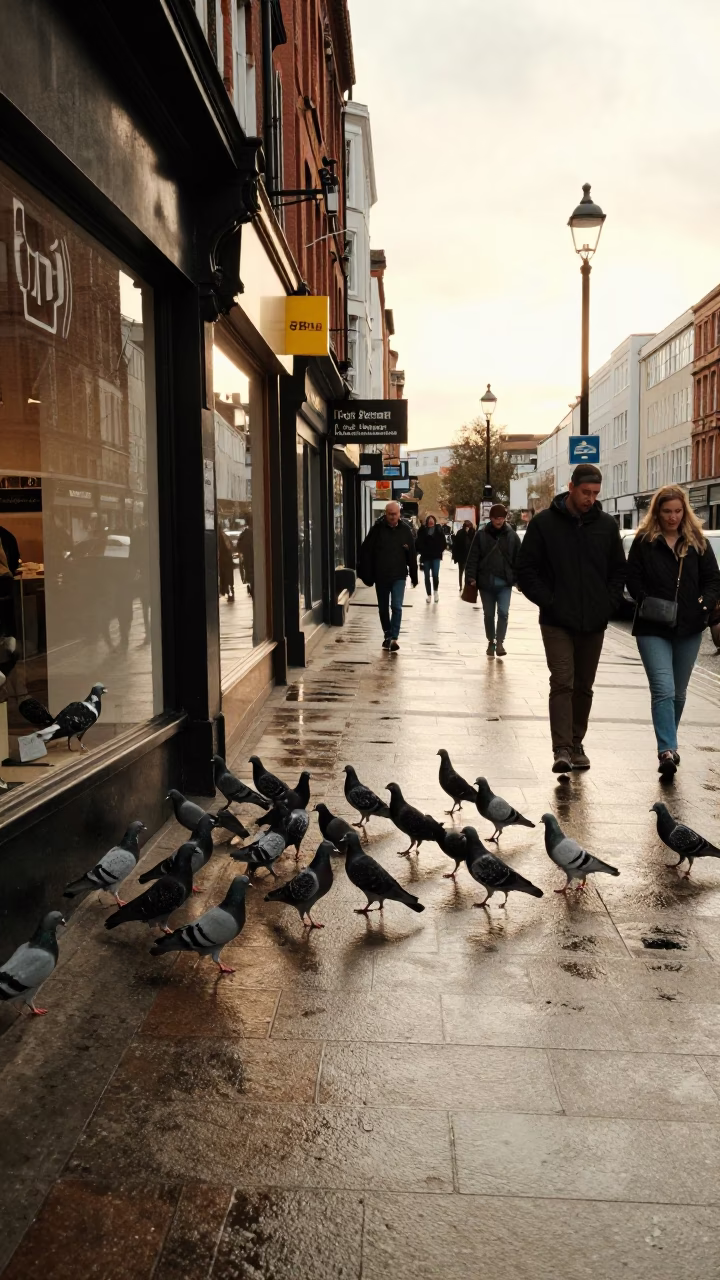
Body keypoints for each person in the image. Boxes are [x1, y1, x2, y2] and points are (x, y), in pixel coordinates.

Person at [516, 464, 626, 774]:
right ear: (571, 487)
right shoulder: (544, 524)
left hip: (594, 620)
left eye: (595, 494)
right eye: (585, 492)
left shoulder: (606, 526)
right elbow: (526, 569)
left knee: (584, 686)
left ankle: (577, 743)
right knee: (562, 681)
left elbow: (619, 569)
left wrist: (609, 603)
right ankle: (562, 749)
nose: (590, 498)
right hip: (555, 620)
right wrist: (549, 601)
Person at [626, 485, 720, 779]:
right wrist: (646, 600)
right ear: (657, 512)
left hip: (689, 627)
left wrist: (703, 606)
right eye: (667, 511)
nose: (673, 517)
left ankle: (670, 741)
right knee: (663, 689)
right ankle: (666, 749)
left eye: (678, 511)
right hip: (652, 625)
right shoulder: (644, 541)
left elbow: (713, 580)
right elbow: (632, 577)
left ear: (685, 512)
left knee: (678, 693)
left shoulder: (698, 543)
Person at [358, 501, 418, 651]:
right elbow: (366, 551)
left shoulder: (405, 530)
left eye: (395, 514)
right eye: (390, 514)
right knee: (383, 608)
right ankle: (387, 634)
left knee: (396, 606)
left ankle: (394, 637)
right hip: (381, 575)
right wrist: (367, 573)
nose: (392, 516)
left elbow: (411, 554)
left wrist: (414, 576)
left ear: (399, 514)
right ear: (385, 513)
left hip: (399, 575)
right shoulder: (377, 530)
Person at [464, 504, 520, 657]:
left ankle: (500, 642)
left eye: (501, 518)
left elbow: (519, 559)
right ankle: (491, 641)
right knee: (489, 614)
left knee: (503, 612)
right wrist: (471, 577)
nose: (499, 521)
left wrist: (518, 579)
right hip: (486, 583)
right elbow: (473, 557)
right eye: (496, 518)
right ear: (491, 518)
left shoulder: (511, 536)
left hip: (505, 583)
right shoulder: (481, 535)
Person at [416, 514, 445, 603]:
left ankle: (436, 592)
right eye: (429, 520)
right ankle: (429, 595)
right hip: (426, 557)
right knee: (426, 576)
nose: (431, 521)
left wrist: (440, 550)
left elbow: (443, 542)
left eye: (432, 519)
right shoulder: (423, 530)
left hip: (436, 556)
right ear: (427, 521)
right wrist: (421, 550)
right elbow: (418, 542)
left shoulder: (438, 530)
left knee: (435, 575)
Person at [452, 520, 476, 592]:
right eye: (466, 526)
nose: (467, 527)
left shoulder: (473, 533)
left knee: (467, 573)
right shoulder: (460, 533)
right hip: (461, 556)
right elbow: (456, 544)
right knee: (461, 572)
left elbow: (474, 543)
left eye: (469, 526)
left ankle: (466, 586)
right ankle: (461, 586)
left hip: (469, 556)